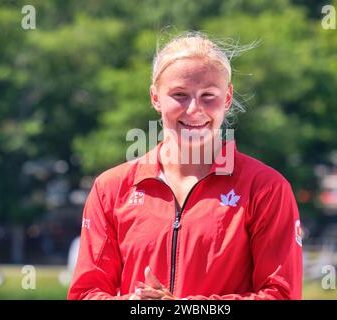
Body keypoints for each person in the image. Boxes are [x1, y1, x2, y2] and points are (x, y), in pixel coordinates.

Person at [67, 31, 303, 300]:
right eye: (180, 95)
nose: (194, 109)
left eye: (208, 96)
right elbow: (85, 293)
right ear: (155, 98)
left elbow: (282, 295)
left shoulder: (266, 188)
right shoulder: (111, 188)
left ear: (227, 98)